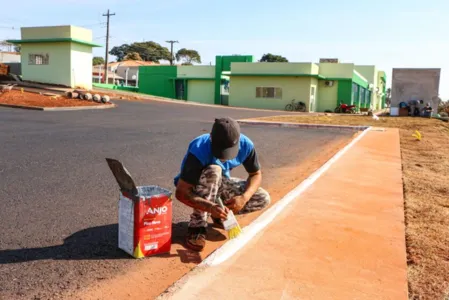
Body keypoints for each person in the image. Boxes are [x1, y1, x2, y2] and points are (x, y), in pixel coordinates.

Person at [173, 117, 271, 252]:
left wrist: (244, 198)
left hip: (219, 183)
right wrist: (209, 206)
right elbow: (182, 192)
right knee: (214, 170)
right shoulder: (199, 148)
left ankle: (219, 215)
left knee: (262, 197)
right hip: (195, 185)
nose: (224, 157)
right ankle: (197, 225)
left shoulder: (246, 145)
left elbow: (256, 174)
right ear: (211, 138)